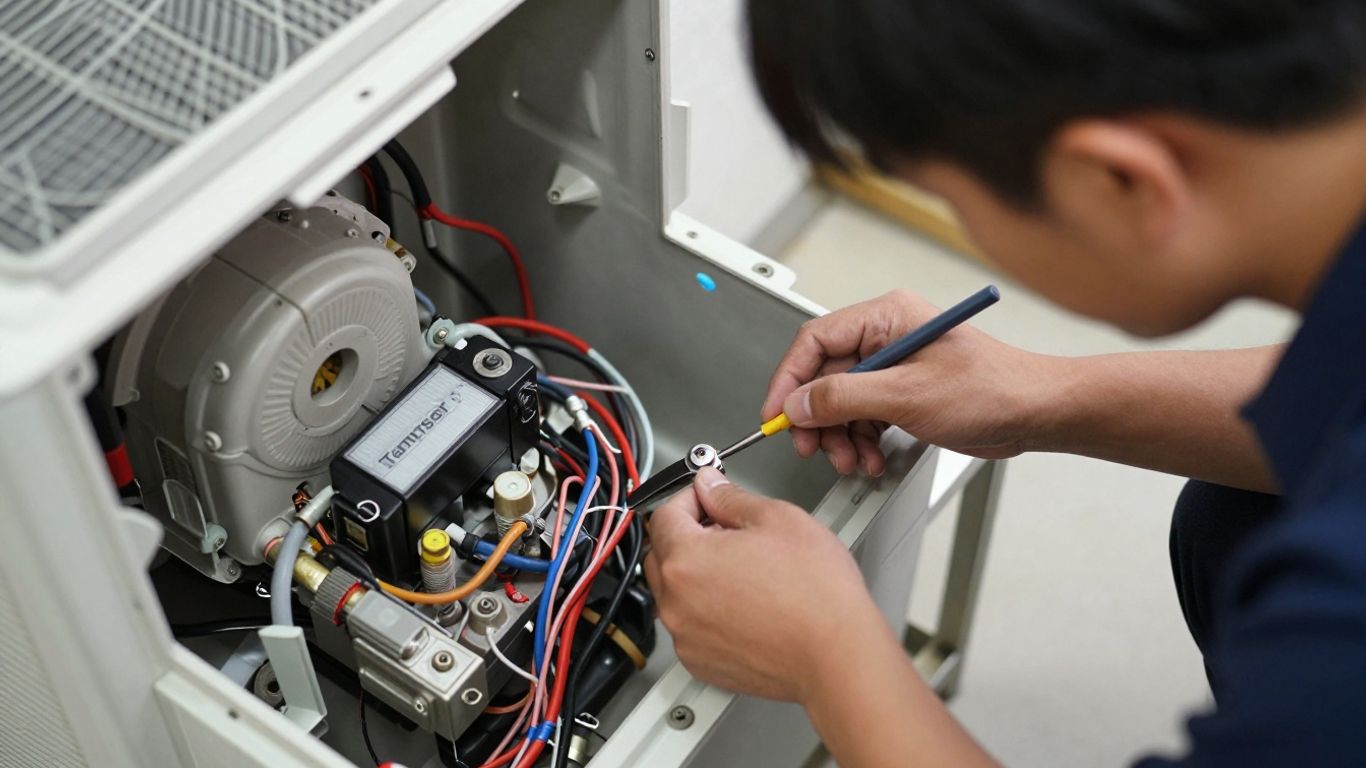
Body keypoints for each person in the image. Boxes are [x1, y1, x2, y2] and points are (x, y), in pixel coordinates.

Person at [642, 1, 1366, 766]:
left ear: (1118, 181)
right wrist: (1038, 394)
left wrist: (828, 657)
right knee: (1230, 517)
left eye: (951, 199)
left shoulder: (1336, 642)